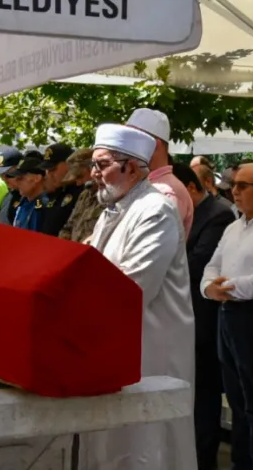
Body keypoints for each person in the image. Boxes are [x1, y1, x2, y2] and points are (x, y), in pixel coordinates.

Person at [83, 123, 196, 470]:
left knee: (146, 447)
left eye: (102, 165)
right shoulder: (114, 210)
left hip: (150, 352)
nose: (93, 174)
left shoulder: (155, 210)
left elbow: (131, 287)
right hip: (115, 349)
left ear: (131, 166)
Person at [201, 163, 253, 470]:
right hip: (227, 315)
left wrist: (224, 288)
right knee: (236, 399)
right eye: (233, 185)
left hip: (252, 319)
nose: (234, 191)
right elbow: (211, 266)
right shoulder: (233, 227)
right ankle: (241, 461)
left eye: (242, 185)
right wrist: (210, 289)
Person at [179, 163, 235, 470]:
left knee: (205, 395)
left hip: (205, 318)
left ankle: (203, 459)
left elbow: (196, 263)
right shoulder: (185, 214)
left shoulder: (218, 214)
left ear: (189, 188)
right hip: (185, 316)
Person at [126, 108, 194, 235]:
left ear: (154, 144)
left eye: (133, 140)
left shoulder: (167, 193)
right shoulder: (147, 183)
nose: (126, 147)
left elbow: (153, 247)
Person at [59, 149, 103, 243]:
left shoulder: (109, 198)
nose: (78, 183)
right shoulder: (84, 195)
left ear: (92, 169)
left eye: (80, 176)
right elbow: (68, 226)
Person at [0, 148, 26, 226]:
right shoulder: (8, 196)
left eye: (7, 174)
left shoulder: (32, 198)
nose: (4, 179)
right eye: (1, 175)